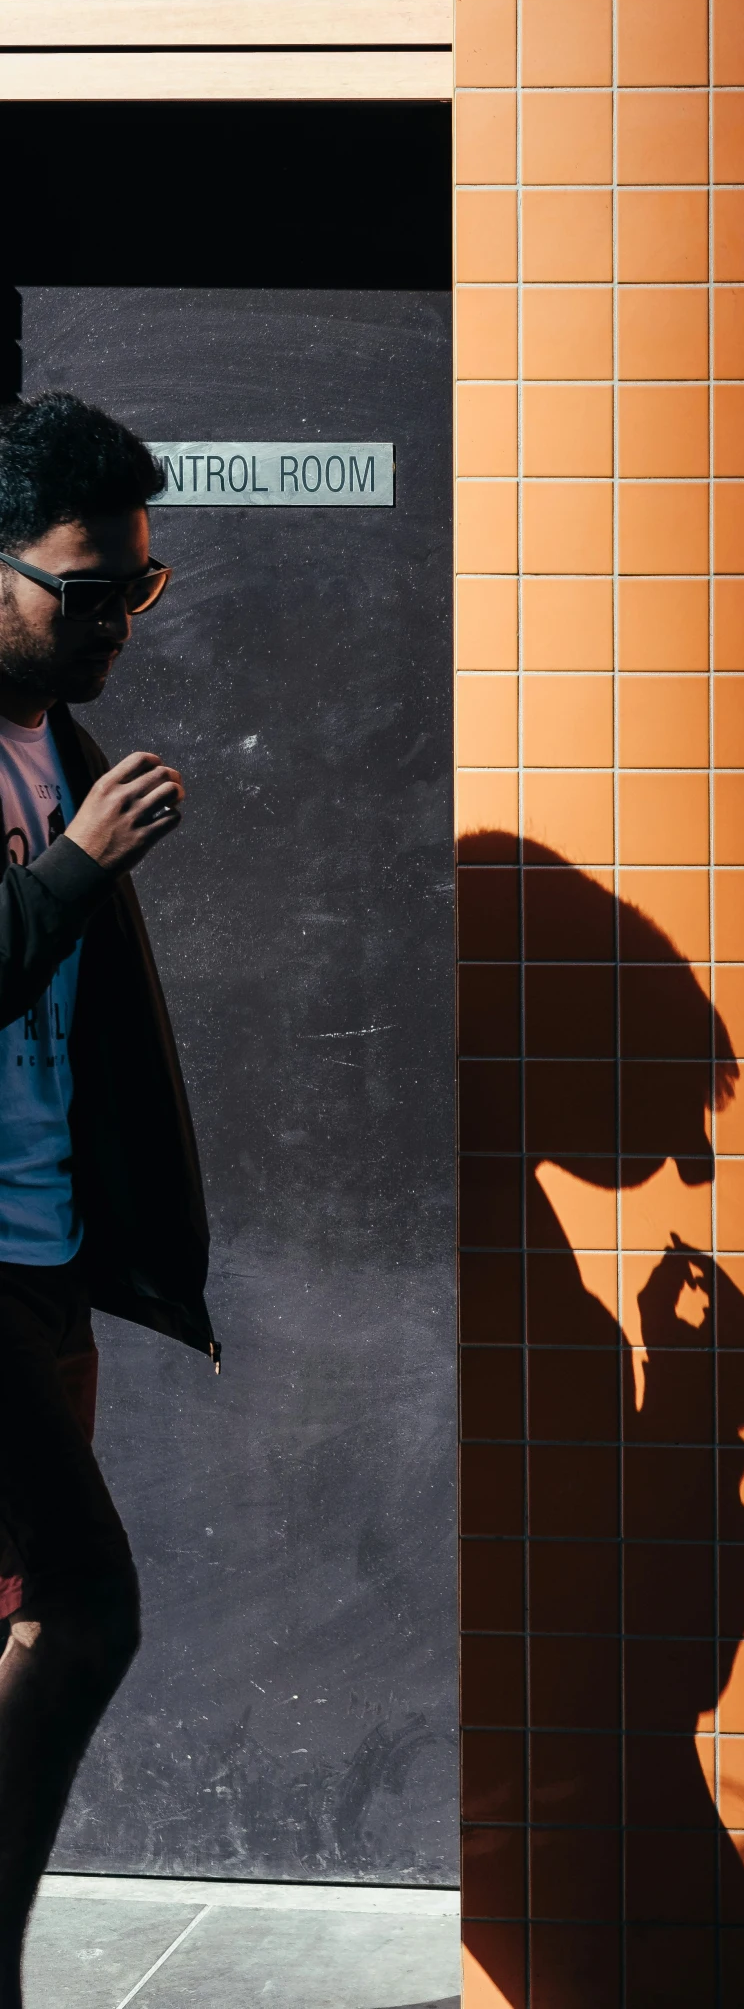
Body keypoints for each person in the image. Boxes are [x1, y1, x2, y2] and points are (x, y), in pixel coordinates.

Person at [0, 394, 213, 2009]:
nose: (113, 626)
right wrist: (73, 863)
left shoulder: (53, 742)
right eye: (83, 592)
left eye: (131, 592)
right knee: (86, 1606)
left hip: (39, 1260)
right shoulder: (61, 786)